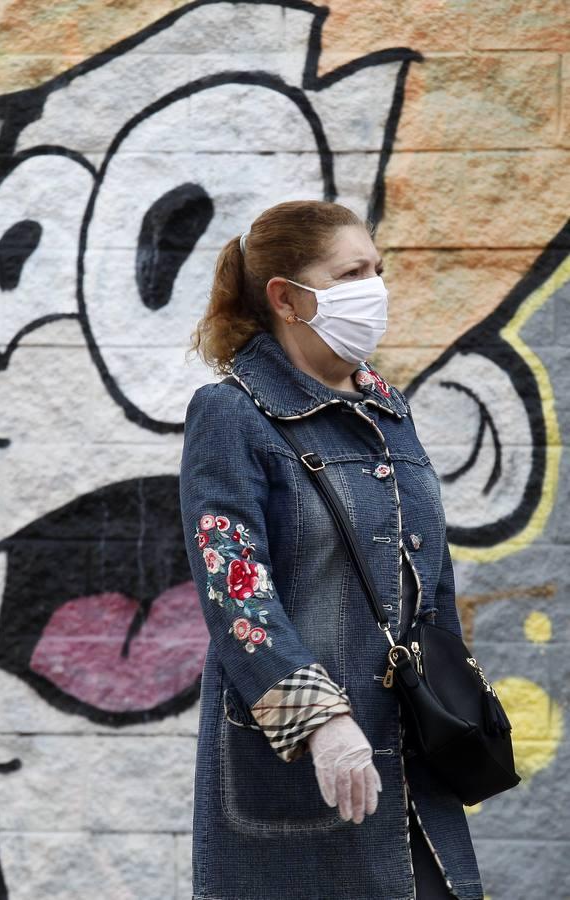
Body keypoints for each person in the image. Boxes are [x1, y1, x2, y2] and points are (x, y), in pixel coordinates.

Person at [179, 200, 484, 900]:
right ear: (287, 298)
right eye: (352, 272)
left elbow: (430, 580)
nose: (374, 289)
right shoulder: (232, 414)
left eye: (378, 270)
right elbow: (236, 591)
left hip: (413, 764)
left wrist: (456, 702)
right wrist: (321, 722)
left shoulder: (389, 410)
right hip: (304, 766)